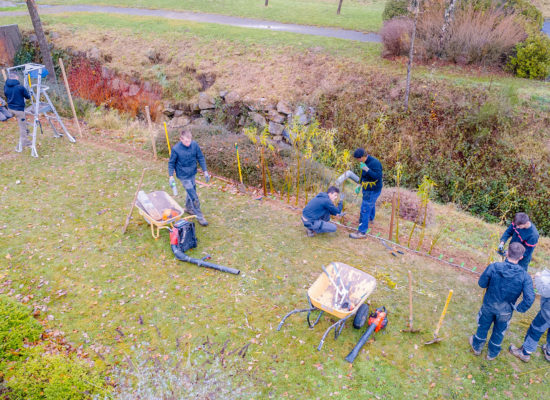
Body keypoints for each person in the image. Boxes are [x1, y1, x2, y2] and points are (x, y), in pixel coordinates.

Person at [469, 242, 535, 361]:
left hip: (489, 305)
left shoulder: (493, 267)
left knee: (483, 326)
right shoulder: (525, 276)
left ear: (507, 253)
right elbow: (529, 298)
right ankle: (492, 354)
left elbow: (481, 283)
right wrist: (519, 308)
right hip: (505, 311)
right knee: (499, 331)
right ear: (521, 257)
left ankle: (477, 347)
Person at [168, 129, 210, 226]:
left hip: (192, 173)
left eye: (189, 140)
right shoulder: (176, 149)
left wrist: (205, 171)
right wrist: (171, 176)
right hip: (183, 175)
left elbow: (200, 157)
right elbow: (171, 163)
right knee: (193, 196)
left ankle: (188, 208)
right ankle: (200, 216)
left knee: (192, 190)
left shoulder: (194, 145)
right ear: (181, 139)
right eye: (186, 141)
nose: (188, 143)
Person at [509, 269, 550, 363]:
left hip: (548, 313)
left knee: (535, 330)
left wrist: (538, 278)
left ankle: (525, 353)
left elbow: (545, 291)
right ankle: (549, 352)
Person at [349, 148, 383, 239]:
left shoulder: (375, 163)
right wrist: (359, 184)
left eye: (358, 159)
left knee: (365, 208)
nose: (357, 161)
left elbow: (378, 176)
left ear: (363, 157)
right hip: (366, 188)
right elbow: (363, 175)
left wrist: (367, 169)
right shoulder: (363, 163)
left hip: (373, 189)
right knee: (370, 204)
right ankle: (370, 219)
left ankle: (362, 232)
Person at [4, 73, 31, 147]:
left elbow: (6, 95)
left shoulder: (6, 86)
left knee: (23, 123)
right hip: (19, 110)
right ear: (16, 77)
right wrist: (29, 93)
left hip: (10, 108)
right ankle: (25, 142)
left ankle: (26, 131)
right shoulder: (20, 87)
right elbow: (28, 97)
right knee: (22, 126)